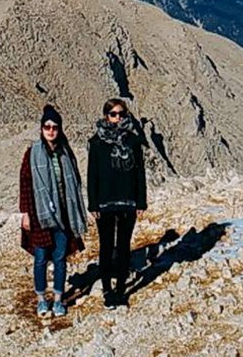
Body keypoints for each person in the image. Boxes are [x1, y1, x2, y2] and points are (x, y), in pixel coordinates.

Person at [19, 105, 89, 318]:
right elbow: (25, 184)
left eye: (54, 127)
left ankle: (58, 299)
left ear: (60, 129)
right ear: (41, 129)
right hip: (40, 214)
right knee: (40, 258)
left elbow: (75, 182)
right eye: (47, 127)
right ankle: (42, 299)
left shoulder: (66, 153)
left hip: (64, 214)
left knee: (60, 258)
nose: (50, 131)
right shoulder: (32, 154)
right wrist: (25, 213)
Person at [87, 97, 147, 309]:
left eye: (121, 114)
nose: (117, 118)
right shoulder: (96, 142)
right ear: (106, 116)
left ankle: (121, 289)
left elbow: (140, 172)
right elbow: (92, 174)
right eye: (113, 114)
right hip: (104, 203)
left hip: (128, 202)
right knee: (105, 247)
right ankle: (106, 288)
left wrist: (141, 202)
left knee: (123, 247)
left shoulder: (133, 140)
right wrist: (92, 204)